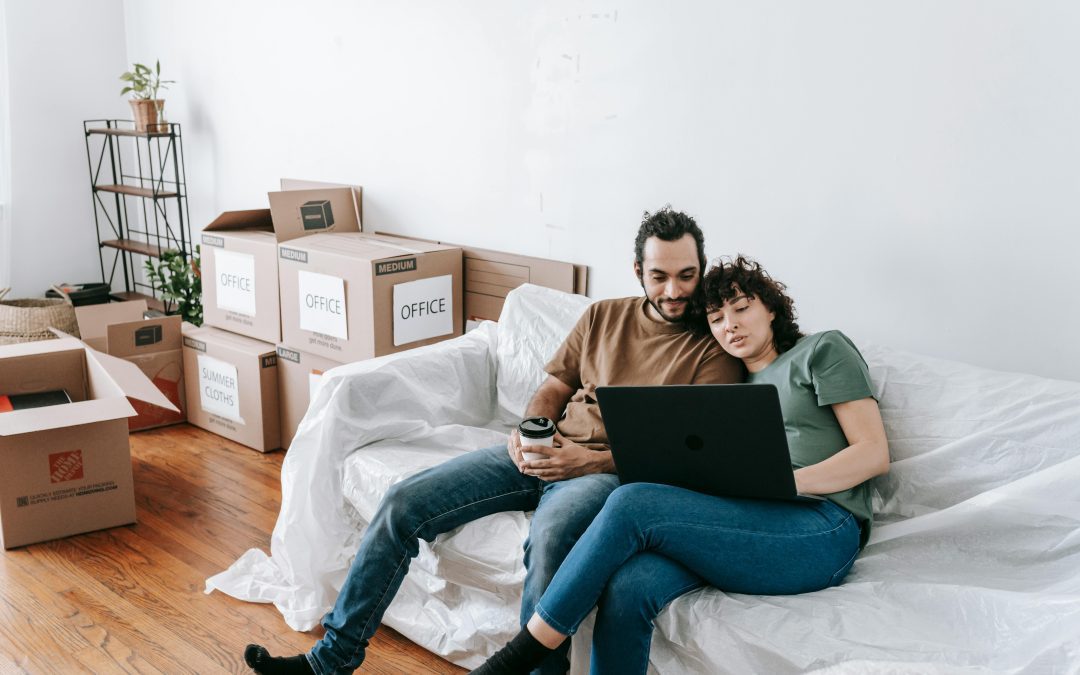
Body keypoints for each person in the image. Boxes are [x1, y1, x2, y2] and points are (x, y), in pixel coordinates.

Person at [244, 208, 742, 675]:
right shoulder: (603, 317)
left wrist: (584, 464)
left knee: (548, 542)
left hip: (603, 477)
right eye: (660, 276)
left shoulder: (713, 347)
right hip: (539, 454)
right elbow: (553, 388)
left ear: (701, 269)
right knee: (403, 503)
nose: (674, 290)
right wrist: (532, 432)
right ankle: (330, 659)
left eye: (686, 275)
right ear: (638, 270)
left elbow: (684, 455)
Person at [471, 255, 891, 675]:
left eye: (742, 308)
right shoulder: (727, 389)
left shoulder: (822, 350)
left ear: (772, 308)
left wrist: (781, 482)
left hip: (822, 527)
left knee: (632, 502)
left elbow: (873, 453)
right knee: (629, 585)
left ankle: (518, 659)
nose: (731, 324)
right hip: (746, 518)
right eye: (716, 317)